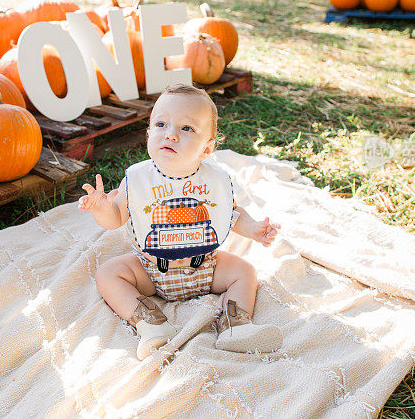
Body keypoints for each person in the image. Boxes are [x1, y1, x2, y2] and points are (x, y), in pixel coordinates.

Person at [79, 83, 283, 360]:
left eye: (186, 129)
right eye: (161, 124)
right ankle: (151, 324)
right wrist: (101, 209)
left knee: (244, 271)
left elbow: (231, 214)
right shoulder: (138, 180)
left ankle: (235, 324)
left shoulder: (213, 181)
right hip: (150, 269)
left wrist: (255, 229)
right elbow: (116, 217)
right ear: (149, 132)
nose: (171, 135)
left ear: (207, 148)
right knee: (108, 274)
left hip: (206, 266)